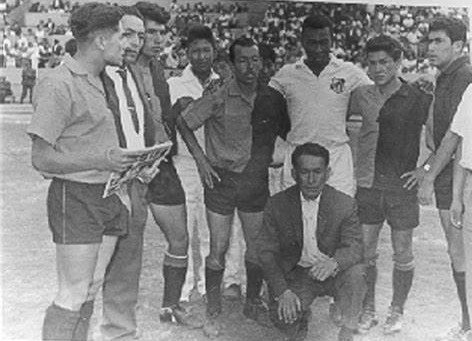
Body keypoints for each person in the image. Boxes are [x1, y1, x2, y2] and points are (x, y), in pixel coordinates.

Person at [26, 4, 137, 340]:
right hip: (76, 197)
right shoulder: (58, 84)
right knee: (72, 293)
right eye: (122, 34)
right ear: (102, 40)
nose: (128, 43)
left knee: (90, 288)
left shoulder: (102, 79)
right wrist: (100, 159)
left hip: (108, 193)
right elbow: (41, 158)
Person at [99, 5, 201, 340]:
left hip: (162, 165)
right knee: (125, 248)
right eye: (149, 33)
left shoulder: (157, 69)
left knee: (180, 237)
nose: (156, 40)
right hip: (133, 169)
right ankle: (115, 325)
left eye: (159, 33)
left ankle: (170, 305)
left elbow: (159, 119)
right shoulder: (115, 71)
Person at [177, 37, 290, 336]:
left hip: (255, 180)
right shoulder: (219, 94)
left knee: (255, 247)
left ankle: (252, 302)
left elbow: (288, 131)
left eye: (255, 60)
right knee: (219, 247)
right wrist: (201, 160)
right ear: (230, 63)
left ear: (262, 63)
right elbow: (184, 122)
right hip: (222, 181)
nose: (250, 66)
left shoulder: (271, 97)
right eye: (243, 60)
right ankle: (213, 309)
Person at [348, 35, 432, 335]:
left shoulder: (418, 97)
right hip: (369, 185)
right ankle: (368, 307)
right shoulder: (360, 96)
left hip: (401, 187)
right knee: (366, 251)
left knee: (402, 251)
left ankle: (396, 309)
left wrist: (425, 169)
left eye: (384, 62)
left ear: (397, 63)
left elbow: (438, 137)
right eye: (371, 63)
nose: (378, 68)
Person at [257, 143, 365, 341]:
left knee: (356, 273)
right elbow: (266, 252)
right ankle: (302, 314)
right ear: (294, 173)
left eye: (318, 172)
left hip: (332, 271)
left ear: (328, 173)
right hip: (298, 273)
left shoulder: (344, 203)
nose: (312, 180)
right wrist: (283, 292)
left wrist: (335, 263)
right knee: (284, 319)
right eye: (304, 172)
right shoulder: (277, 204)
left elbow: (355, 246)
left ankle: (348, 330)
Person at [269, 14, 372, 197]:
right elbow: (264, 101)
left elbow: (380, 91)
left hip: (336, 155)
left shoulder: (349, 72)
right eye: (312, 42)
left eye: (324, 42)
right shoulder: (286, 74)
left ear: (332, 40)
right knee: (295, 218)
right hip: (297, 154)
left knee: (338, 215)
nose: (318, 49)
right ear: (302, 41)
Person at [417, 17, 472, 341]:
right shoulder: (447, 76)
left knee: (462, 251)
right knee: (457, 251)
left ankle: (468, 324)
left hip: (460, 174)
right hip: (447, 171)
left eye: (439, 41)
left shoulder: (465, 76)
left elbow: (456, 137)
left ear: (458, 45)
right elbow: (439, 138)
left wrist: (428, 175)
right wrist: (426, 169)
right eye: (430, 41)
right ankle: (466, 323)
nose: (431, 47)